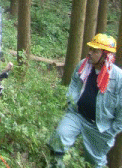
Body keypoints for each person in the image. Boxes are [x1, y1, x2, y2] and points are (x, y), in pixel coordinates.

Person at [49, 34, 122, 168]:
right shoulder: (83, 65)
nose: (90, 53)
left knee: (96, 162)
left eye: (95, 51)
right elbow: (74, 84)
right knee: (60, 137)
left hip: (101, 127)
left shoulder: (118, 78)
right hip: (77, 114)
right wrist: (71, 101)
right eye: (91, 49)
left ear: (106, 55)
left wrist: (112, 130)